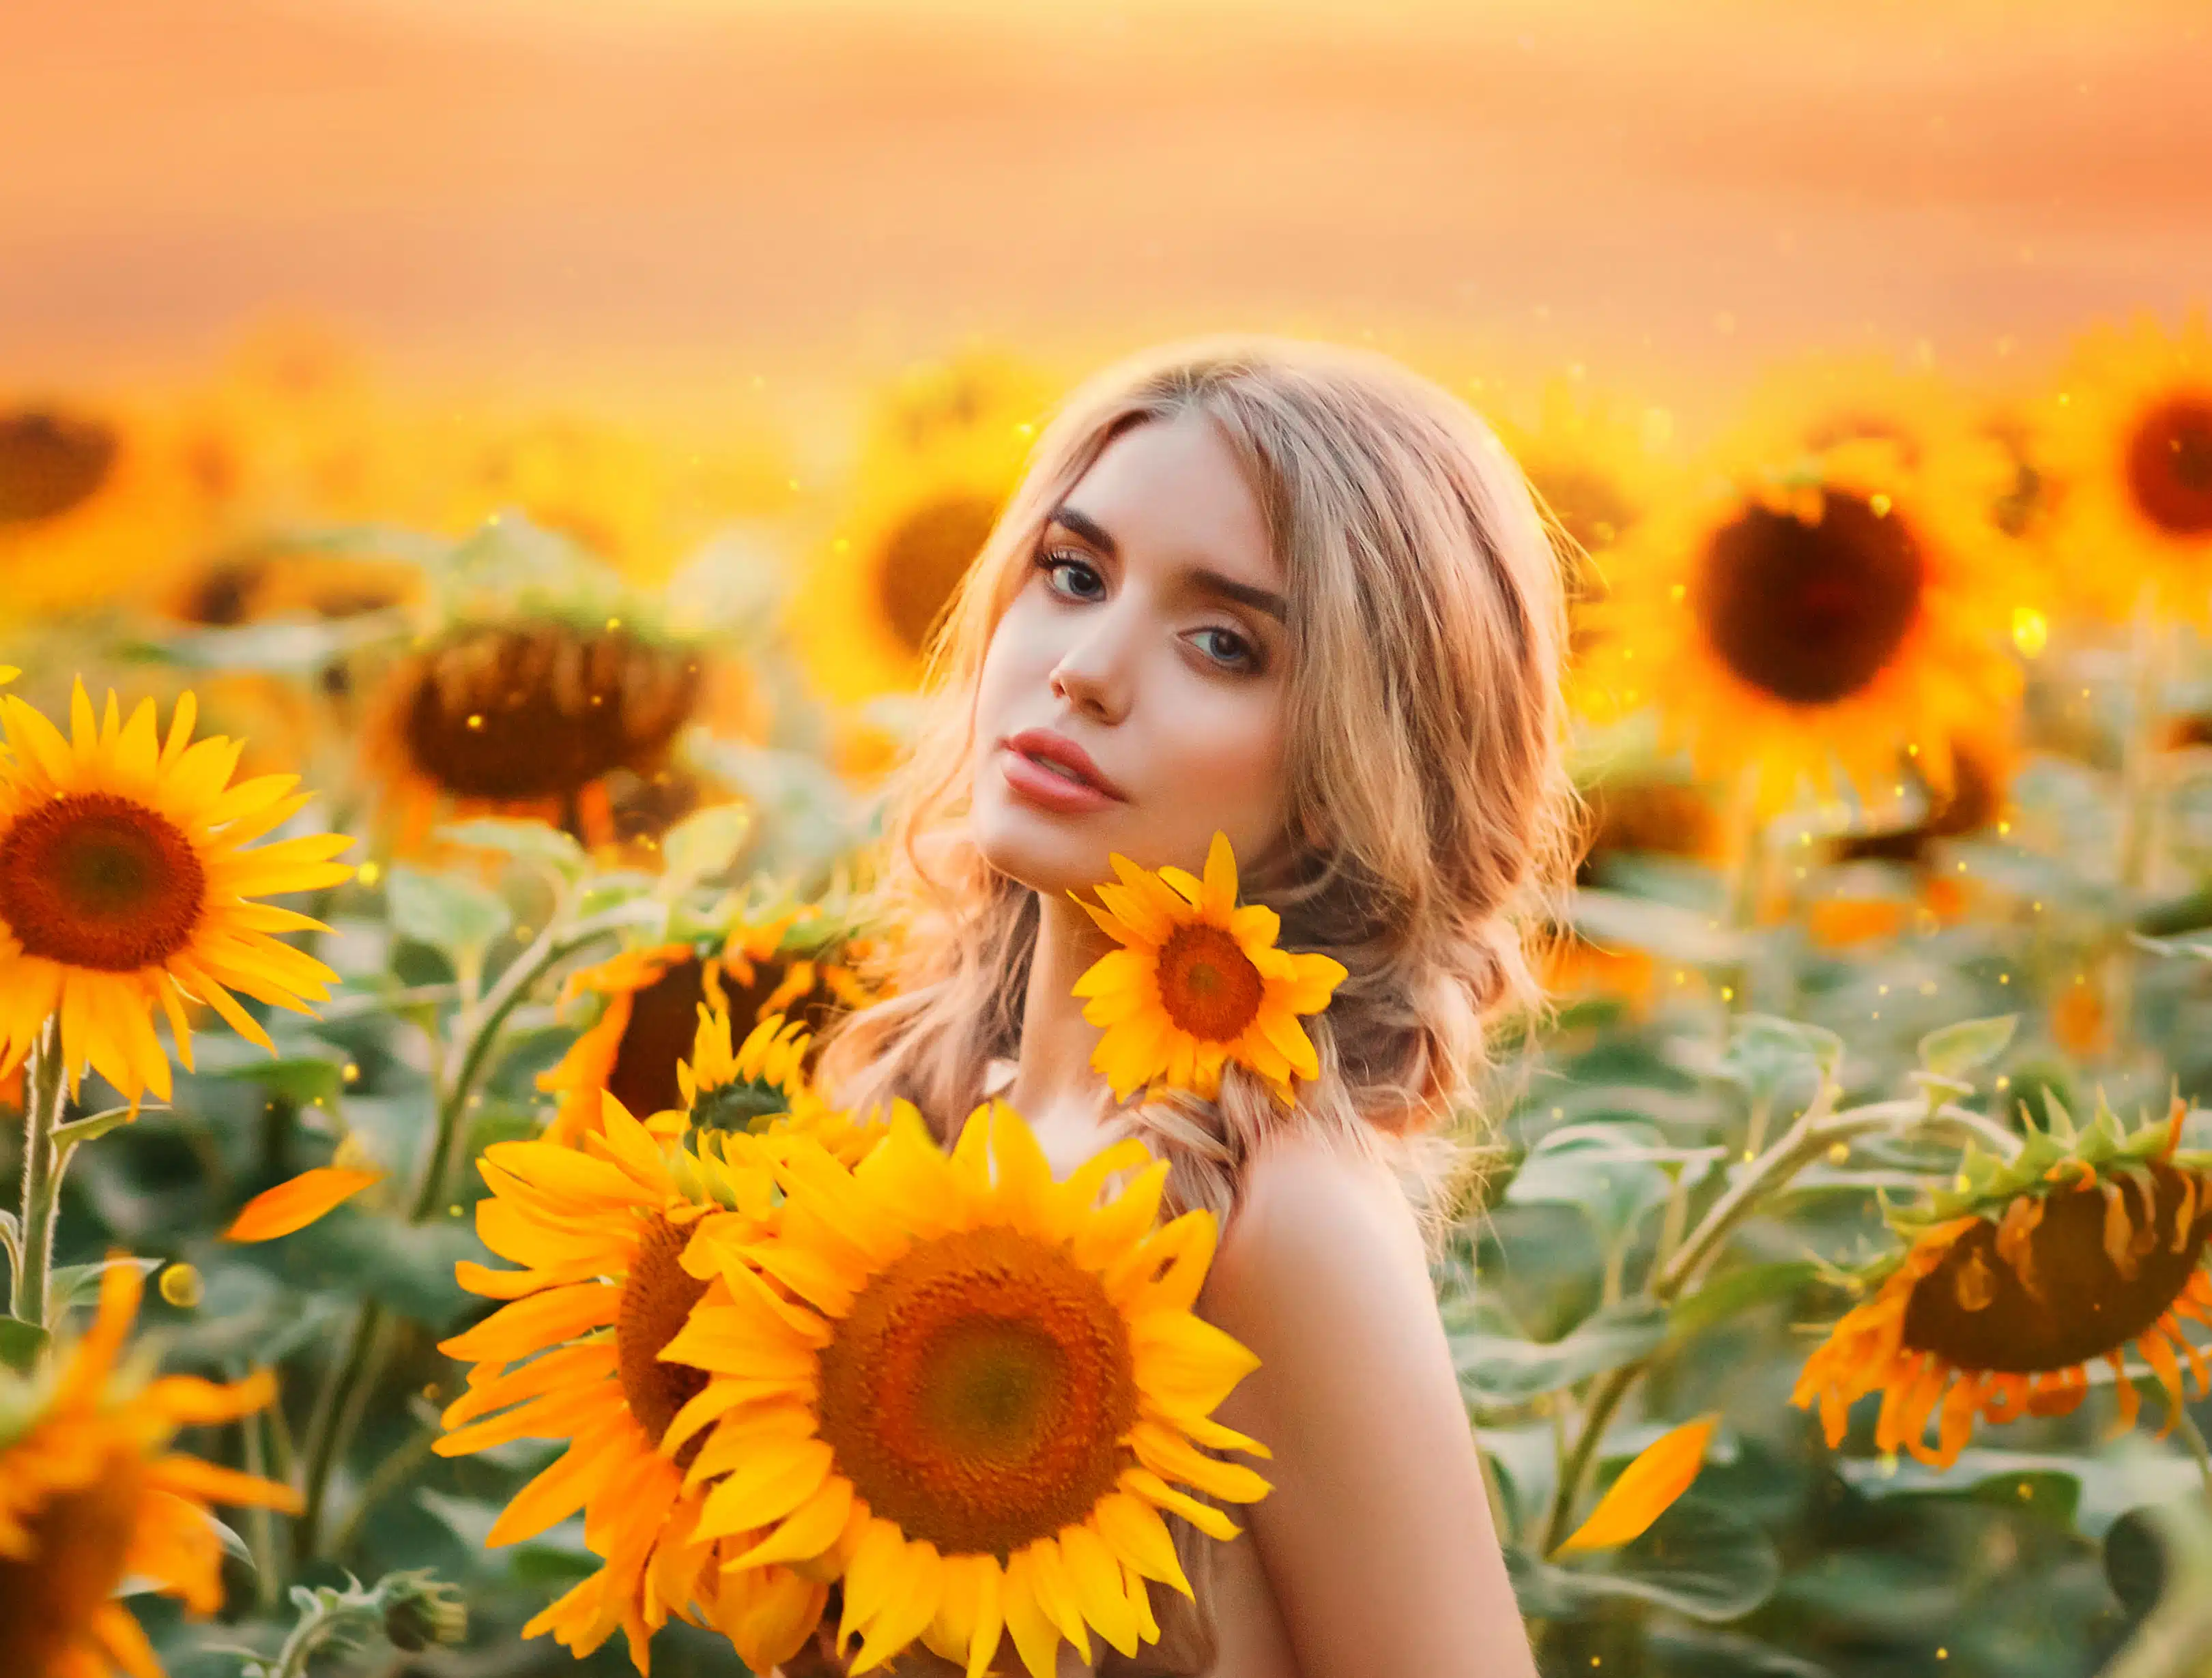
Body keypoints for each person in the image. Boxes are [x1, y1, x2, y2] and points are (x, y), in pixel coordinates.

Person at [803, 335, 1575, 1677]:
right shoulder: (910, 1125)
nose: (1086, 667)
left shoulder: (1287, 1220)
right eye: (1073, 573)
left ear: (1360, 759)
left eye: (1223, 642)